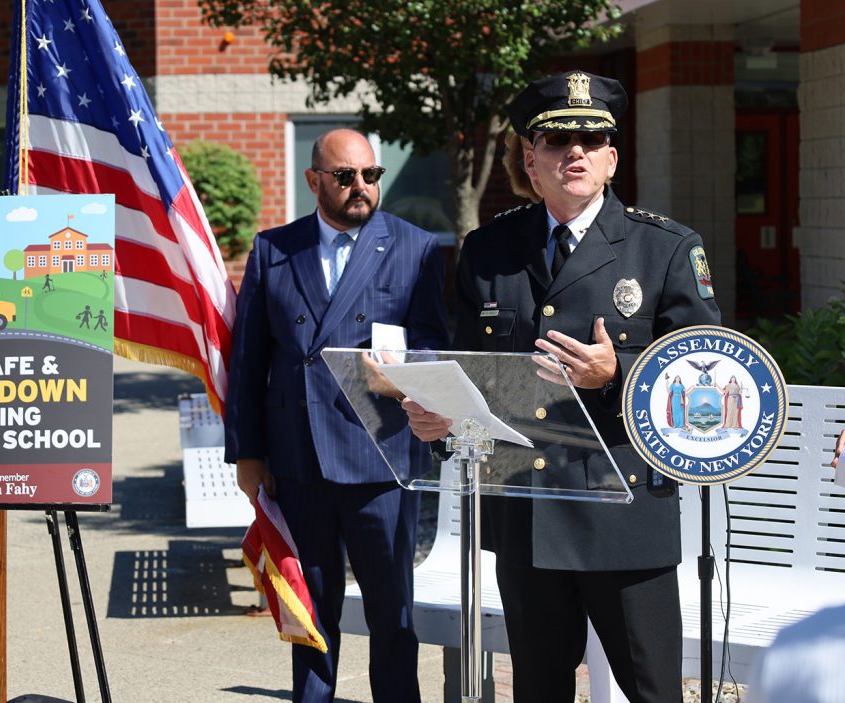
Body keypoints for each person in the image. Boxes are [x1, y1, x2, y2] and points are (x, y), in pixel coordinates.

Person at [404, 70, 722, 703]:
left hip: (626, 509)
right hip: (528, 505)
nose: (573, 152)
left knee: (654, 690)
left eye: (590, 140)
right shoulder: (489, 251)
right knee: (540, 690)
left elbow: (701, 381)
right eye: (555, 142)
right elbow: (471, 371)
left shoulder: (664, 249)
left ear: (610, 158)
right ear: (531, 159)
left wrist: (619, 375)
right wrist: (442, 421)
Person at [225, 128, 449, 703]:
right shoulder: (275, 249)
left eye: (370, 176)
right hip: (299, 458)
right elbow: (248, 360)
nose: (360, 187)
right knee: (312, 610)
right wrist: (247, 454)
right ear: (314, 181)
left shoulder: (415, 247)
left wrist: (401, 369)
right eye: (345, 176)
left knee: (392, 612)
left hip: (380, 456)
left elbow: (434, 343)